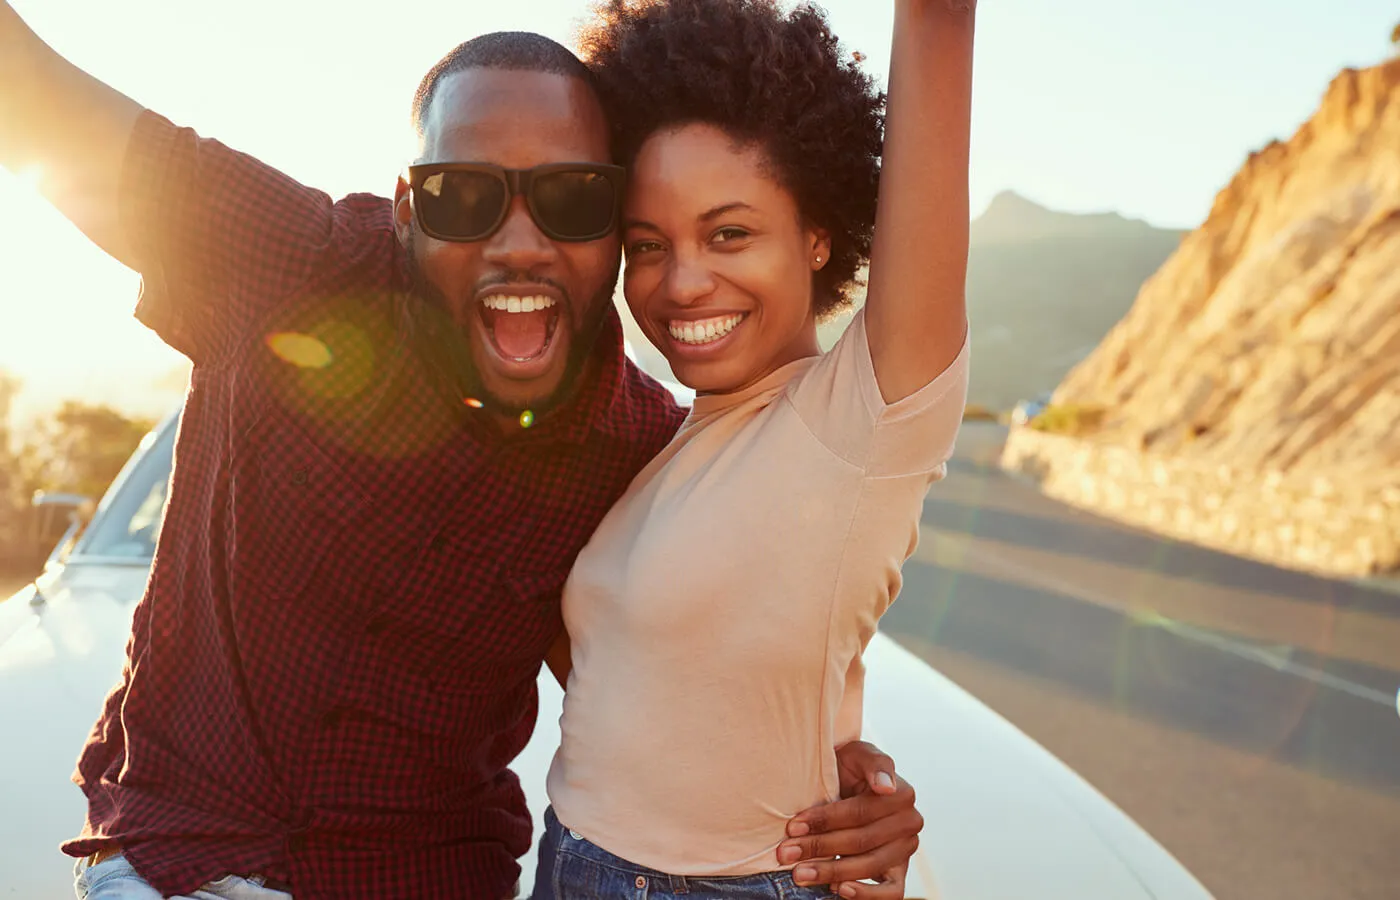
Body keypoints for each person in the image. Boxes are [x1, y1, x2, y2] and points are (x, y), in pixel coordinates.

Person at [0, 4, 925, 899]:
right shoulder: (290, 265)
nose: (518, 245)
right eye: (464, 196)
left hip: (429, 877)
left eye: (571, 199)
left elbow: (656, 677)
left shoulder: (640, 450)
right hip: (180, 862)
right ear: (409, 208)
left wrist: (843, 778)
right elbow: (32, 95)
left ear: (615, 228)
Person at [532, 1, 974, 899]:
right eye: (649, 245)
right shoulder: (662, 442)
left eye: (729, 233)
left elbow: (939, 27)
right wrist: (837, 752)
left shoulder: (864, 415)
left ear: (819, 236)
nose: (683, 280)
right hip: (570, 861)